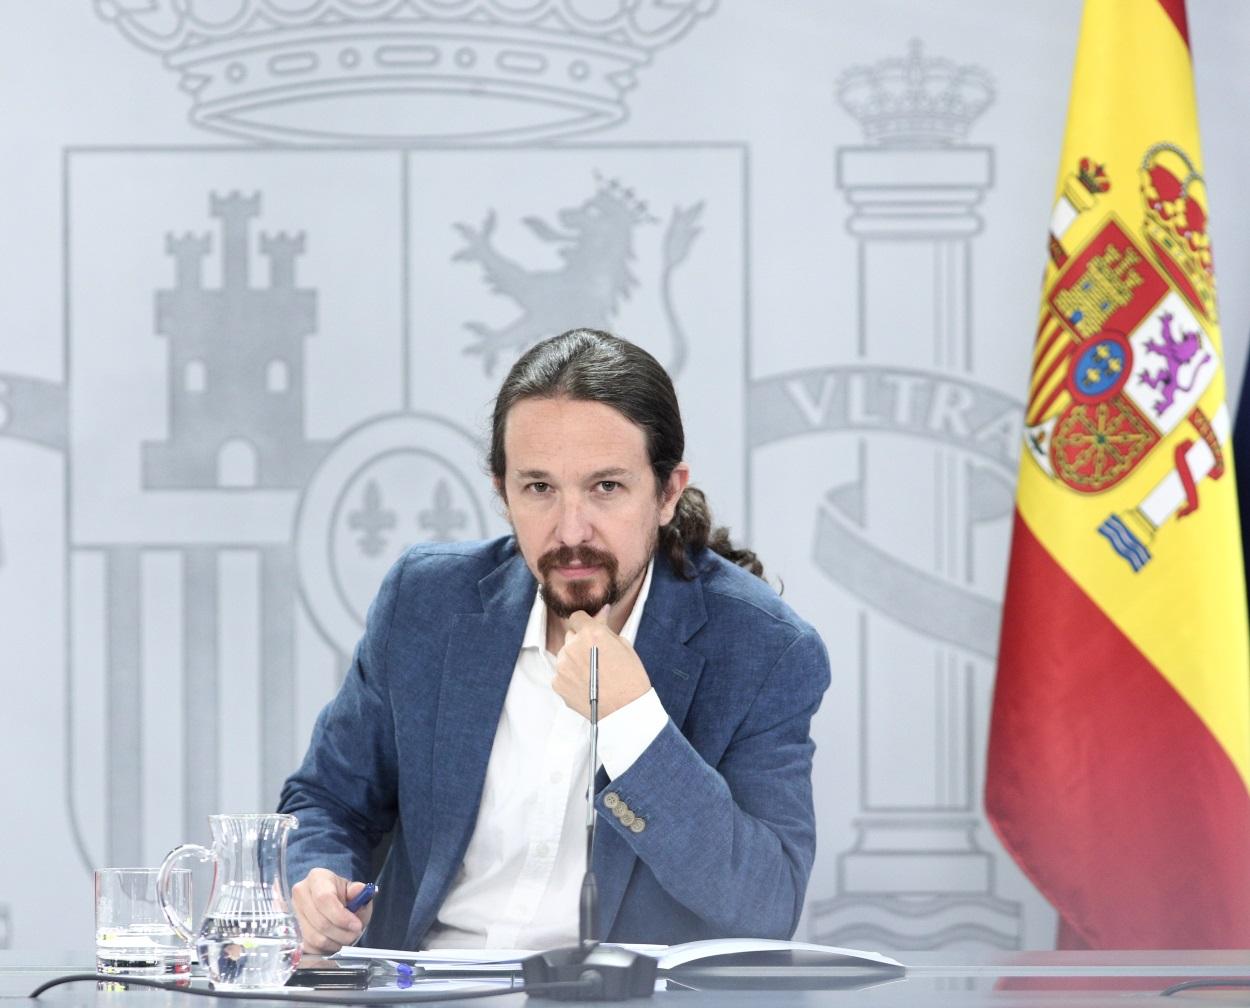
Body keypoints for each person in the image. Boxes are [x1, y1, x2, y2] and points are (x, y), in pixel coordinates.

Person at [278, 328, 831, 953]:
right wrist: (317, 879)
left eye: (607, 488)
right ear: (501, 490)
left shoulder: (765, 648)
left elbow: (767, 903)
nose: (571, 530)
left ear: (668, 492)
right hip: (426, 990)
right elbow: (327, 799)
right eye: (539, 488)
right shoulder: (427, 602)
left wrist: (636, 724)